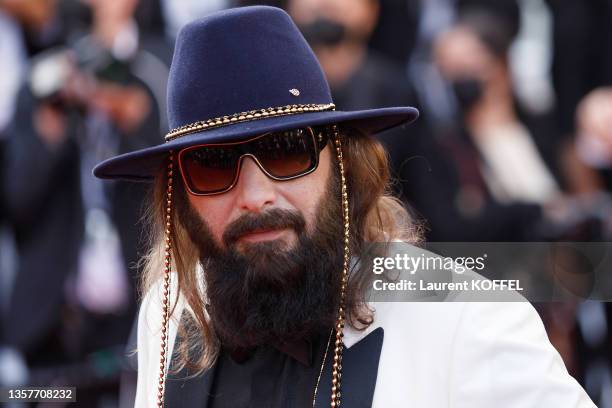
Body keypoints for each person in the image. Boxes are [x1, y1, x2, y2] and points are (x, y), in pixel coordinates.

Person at [94, 6, 595, 407]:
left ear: (345, 166)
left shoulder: (466, 318)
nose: (254, 196)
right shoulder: (171, 312)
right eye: (210, 167)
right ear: (179, 197)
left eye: (286, 150)